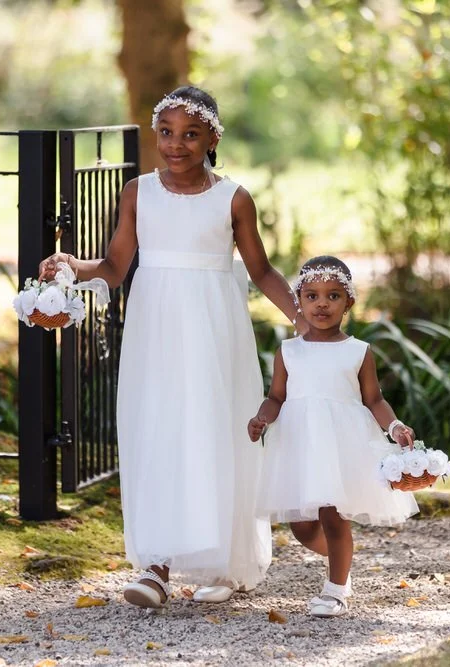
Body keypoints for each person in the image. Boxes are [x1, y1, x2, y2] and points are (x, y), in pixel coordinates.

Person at [38, 85, 306, 608]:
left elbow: (262, 270)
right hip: (155, 330)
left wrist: (303, 320)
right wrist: (71, 264)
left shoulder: (233, 199)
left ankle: (223, 562)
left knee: (214, 433)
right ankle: (156, 568)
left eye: (190, 134)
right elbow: (114, 268)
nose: (176, 144)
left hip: (214, 331)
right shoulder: (139, 192)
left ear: (213, 137)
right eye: (166, 133)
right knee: (158, 431)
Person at [248, 255, 420, 618]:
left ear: (349, 302)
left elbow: (374, 399)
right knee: (302, 527)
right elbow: (276, 396)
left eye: (332, 296)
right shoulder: (288, 351)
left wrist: (395, 427)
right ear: (299, 301)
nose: (321, 303)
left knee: (332, 515)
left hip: (340, 444)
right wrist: (262, 419)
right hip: (300, 444)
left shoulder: (357, 352)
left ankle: (336, 588)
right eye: (311, 296)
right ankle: (343, 557)